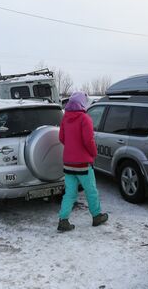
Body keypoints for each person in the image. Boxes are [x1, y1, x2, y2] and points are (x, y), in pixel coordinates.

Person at [57, 91, 108, 232]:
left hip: (68, 163)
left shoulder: (65, 118)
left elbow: (61, 138)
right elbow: (88, 140)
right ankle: (97, 216)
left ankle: (63, 220)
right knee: (91, 191)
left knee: (70, 193)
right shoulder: (85, 119)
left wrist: (71, 146)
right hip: (83, 164)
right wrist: (94, 153)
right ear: (81, 103)